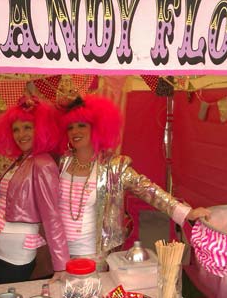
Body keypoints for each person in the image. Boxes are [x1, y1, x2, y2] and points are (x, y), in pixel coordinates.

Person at [57, 94, 210, 271]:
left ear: (97, 128)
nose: (75, 132)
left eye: (82, 125)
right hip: (60, 251)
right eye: (70, 127)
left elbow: (149, 191)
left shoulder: (114, 167)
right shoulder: (62, 162)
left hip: (93, 254)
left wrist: (186, 213)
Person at [0, 96, 69, 285]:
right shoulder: (21, 160)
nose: (21, 134)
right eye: (16, 129)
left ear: (41, 129)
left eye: (27, 127)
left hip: (13, 256)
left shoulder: (43, 163)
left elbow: (52, 216)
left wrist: (61, 265)